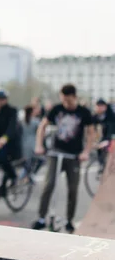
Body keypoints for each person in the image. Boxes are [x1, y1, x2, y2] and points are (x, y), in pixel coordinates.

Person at [32, 84, 95, 233]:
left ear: (74, 97)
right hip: (55, 153)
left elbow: (91, 133)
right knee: (48, 185)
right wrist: (39, 145)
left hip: (74, 156)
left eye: (68, 100)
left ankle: (69, 220)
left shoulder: (84, 112)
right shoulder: (57, 109)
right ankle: (41, 217)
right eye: (63, 100)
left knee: (73, 189)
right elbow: (42, 126)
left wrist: (86, 152)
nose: (65, 103)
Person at [21, 105, 39, 176]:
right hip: (33, 143)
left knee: (27, 163)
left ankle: (27, 176)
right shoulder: (35, 121)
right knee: (38, 160)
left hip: (23, 143)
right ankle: (29, 176)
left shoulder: (21, 121)